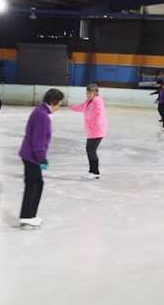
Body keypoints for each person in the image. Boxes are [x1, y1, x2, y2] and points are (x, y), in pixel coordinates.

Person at [18, 88, 65, 228]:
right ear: (53, 101)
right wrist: (41, 158)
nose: (59, 106)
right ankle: (26, 216)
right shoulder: (42, 115)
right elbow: (38, 140)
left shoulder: (41, 111)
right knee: (33, 185)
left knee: (37, 184)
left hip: (31, 155)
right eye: (59, 103)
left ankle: (30, 215)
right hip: (32, 156)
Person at [70, 84, 107, 180]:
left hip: (97, 130)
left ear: (95, 93)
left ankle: (95, 172)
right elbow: (81, 107)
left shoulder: (98, 101)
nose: (88, 95)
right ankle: (92, 171)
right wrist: (72, 107)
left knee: (91, 150)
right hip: (91, 131)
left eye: (90, 93)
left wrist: (96, 124)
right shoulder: (88, 102)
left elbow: (100, 113)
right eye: (87, 93)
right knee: (90, 150)